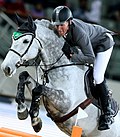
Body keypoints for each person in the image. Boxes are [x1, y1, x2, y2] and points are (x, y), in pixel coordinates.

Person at [51, 6, 116, 131]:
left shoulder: (78, 32)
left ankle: (107, 113)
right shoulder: (62, 29)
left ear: (69, 21)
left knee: (97, 76)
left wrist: (73, 57)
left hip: (103, 43)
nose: (59, 29)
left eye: (61, 25)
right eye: (56, 26)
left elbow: (90, 58)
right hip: (90, 45)